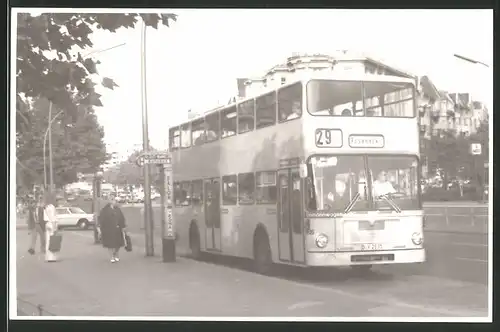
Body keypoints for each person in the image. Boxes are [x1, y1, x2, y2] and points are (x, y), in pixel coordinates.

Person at [43, 192, 59, 262]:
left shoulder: (46, 207)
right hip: (52, 224)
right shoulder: (52, 207)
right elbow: (53, 217)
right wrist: (55, 226)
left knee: (48, 240)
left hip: (47, 224)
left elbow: (45, 218)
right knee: (53, 240)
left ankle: (48, 257)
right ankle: (52, 257)